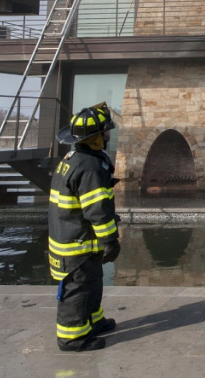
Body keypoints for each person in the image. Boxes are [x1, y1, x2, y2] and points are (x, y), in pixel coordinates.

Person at [49, 103, 121, 352]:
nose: (107, 136)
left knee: (93, 282)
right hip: (76, 244)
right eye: (104, 132)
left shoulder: (76, 159)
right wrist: (111, 240)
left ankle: (93, 321)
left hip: (77, 239)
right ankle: (73, 338)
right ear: (94, 139)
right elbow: (97, 211)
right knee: (78, 289)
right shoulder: (89, 168)